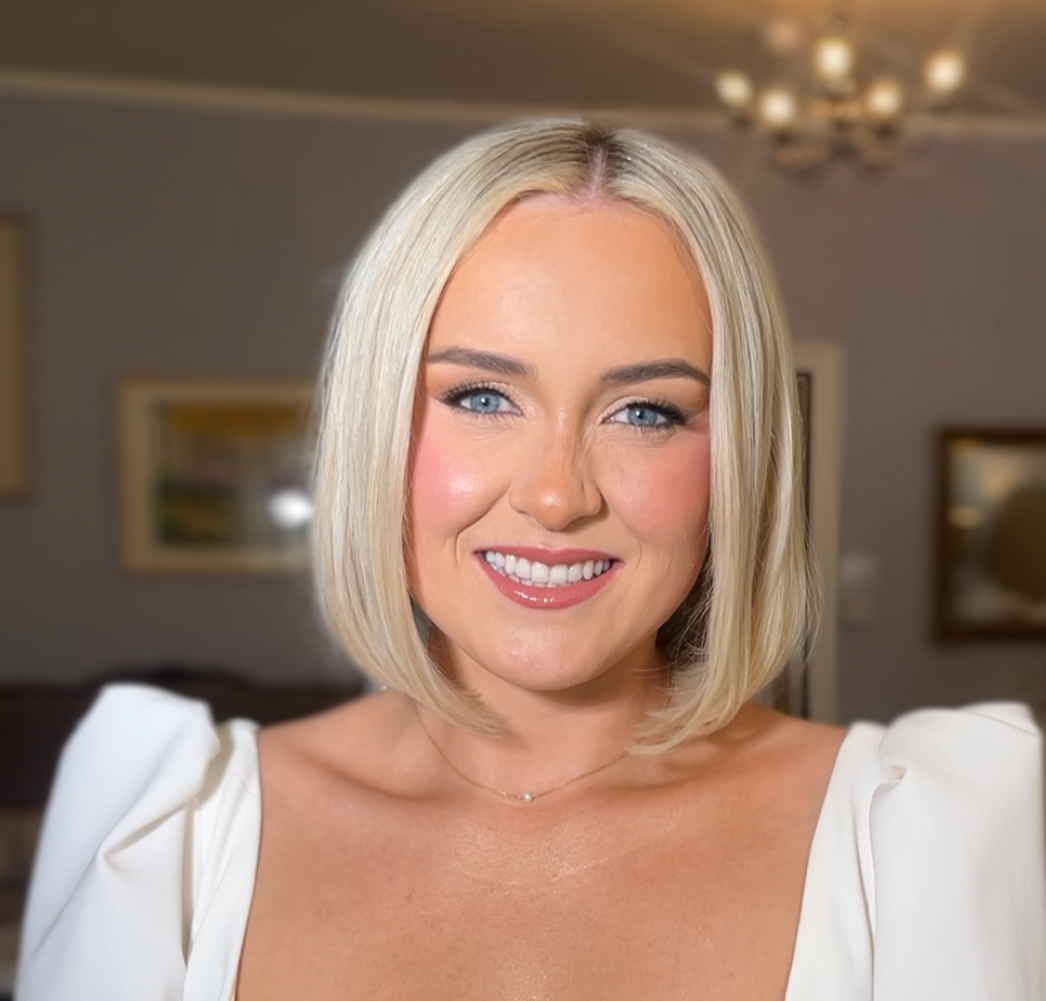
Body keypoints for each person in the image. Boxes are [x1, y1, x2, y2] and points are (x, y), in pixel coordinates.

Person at [15, 120, 1046, 1000]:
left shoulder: (922, 841)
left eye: (645, 410)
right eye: (479, 396)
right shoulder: (166, 833)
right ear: (378, 427)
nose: (557, 494)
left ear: (738, 460)